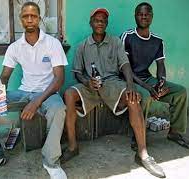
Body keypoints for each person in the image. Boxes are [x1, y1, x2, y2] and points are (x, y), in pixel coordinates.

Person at [0, 2, 68, 178]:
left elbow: (59, 79)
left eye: (33, 16)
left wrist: (36, 102)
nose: (29, 19)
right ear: (21, 20)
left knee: (59, 109)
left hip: (47, 93)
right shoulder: (15, 47)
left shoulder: (52, 43)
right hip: (23, 92)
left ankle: (51, 161)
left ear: (39, 19)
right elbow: (4, 76)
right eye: (25, 16)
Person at [62, 8, 165, 178]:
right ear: (91, 23)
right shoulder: (82, 46)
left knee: (133, 98)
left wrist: (130, 86)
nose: (100, 23)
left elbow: (125, 65)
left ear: (106, 24)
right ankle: (73, 146)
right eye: (97, 20)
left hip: (112, 84)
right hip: (91, 86)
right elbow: (77, 73)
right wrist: (87, 81)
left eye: (103, 20)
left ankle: (143, 153)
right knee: (69, 94)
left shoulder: (116, 42)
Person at [121, 2, 189, 151]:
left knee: (180, 92)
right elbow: (125, 68)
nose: (143, 17)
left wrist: (160, 82)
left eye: (147, 14)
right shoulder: (127, 36)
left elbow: (161, 65)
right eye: (140, 14)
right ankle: (138, 136)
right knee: (145, 96)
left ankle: (175, 133)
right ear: (135, 16)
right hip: (128, 80)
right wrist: (148, 87)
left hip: (147, 79)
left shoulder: (157, 41)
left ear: (152, 17)